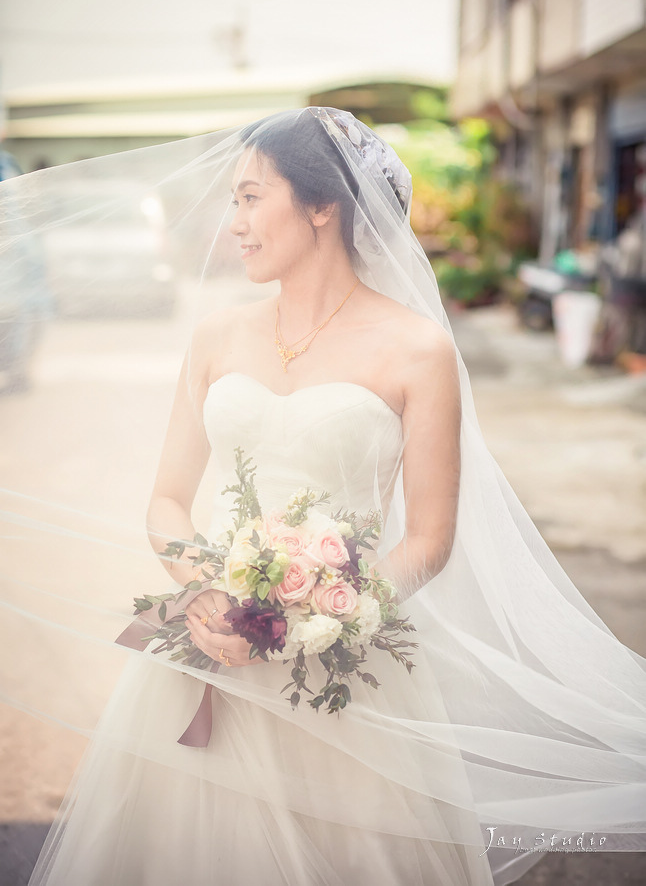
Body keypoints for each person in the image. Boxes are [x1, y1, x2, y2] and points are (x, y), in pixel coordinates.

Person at [0, 108, 645, 886]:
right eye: (232, 201)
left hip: (348, 676)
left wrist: (332, 609)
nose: (231, 223)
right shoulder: (216, 337)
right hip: (209, 660)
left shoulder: (417, 348)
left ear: (322, 205)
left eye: (249, 198)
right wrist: (205, 592)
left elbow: (431, 537)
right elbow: (167, 501)